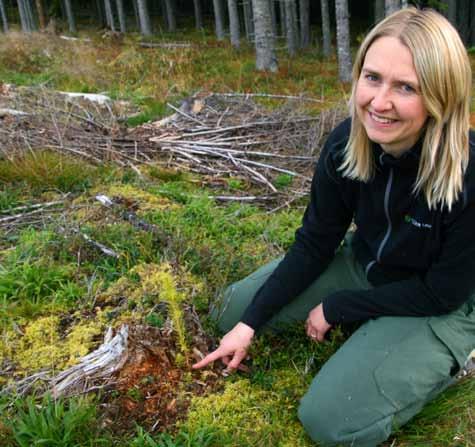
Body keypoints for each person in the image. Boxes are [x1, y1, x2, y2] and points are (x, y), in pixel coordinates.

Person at [193, 7, 475, 446]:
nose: (379, 102)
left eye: (406, 87)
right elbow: (315, 243)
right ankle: (371, 329)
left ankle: (453, 357)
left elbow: (443, 292)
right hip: (367, 266)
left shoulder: (468, 172)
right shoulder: (347, 143)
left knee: (331, 421)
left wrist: (339, 307)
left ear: (441, 96)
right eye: (372, 77)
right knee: (230, 312)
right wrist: (248, 326)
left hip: (441, 301)